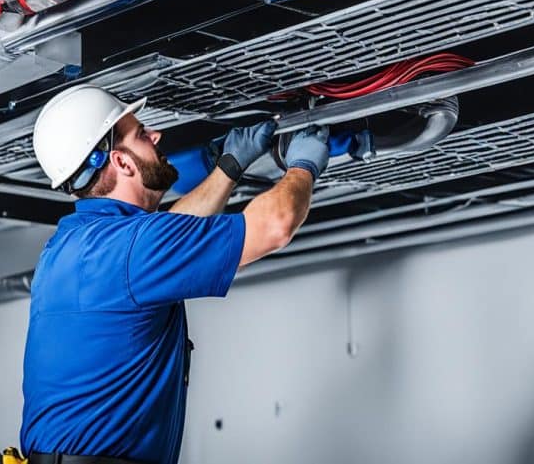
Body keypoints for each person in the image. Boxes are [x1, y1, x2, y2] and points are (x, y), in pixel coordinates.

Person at [19, 85, 330, 464]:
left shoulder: (70, 246)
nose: (156, 136)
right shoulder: (129, 249)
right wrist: (304, 166)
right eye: (141, 134)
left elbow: (168, 237)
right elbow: (275, 226)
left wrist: (229, 168)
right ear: (122, 163)